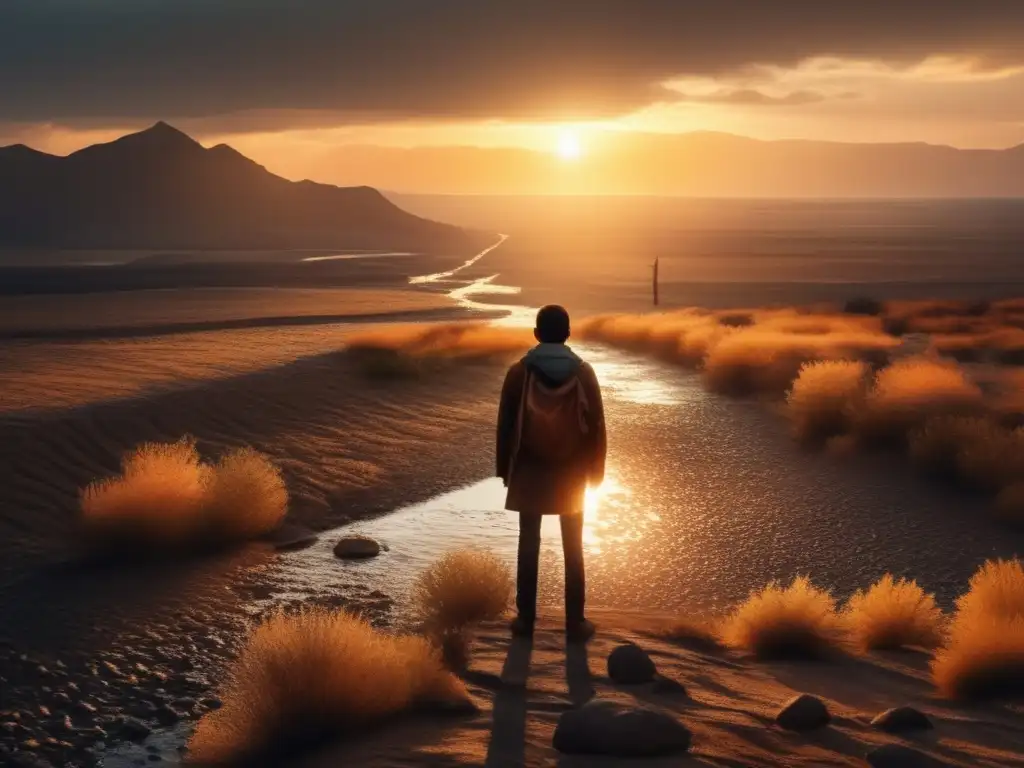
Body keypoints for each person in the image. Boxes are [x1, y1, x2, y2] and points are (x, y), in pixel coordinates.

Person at [496, 304, 606, 643]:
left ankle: (525, 621)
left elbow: (506, 426)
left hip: (529, 469)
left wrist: (504, 470)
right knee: (573, 546)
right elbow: (597, 426)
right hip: (571, 472)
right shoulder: (583, 372)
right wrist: (596, 472)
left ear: (536, 334)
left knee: (528, 543)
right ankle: (575, 622)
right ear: (568, 333)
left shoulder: (519, 372)